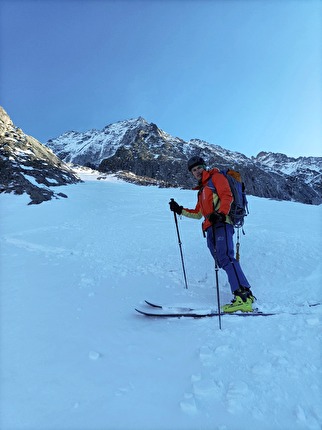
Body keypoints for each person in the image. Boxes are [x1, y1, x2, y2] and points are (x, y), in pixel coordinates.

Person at [169, 156, 255, 313]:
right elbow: (197, 213)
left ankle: (243, 297)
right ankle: (245, 295)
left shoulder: (216, 177)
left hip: (222, 223)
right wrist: (179, 209)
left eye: (199, 168)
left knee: (226, 258)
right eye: (193, 170)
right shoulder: (202, 190)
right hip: (210, 227)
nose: (197, 172)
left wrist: (221, 214)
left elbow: (227, 195)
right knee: (223, 260)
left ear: (204, 167)